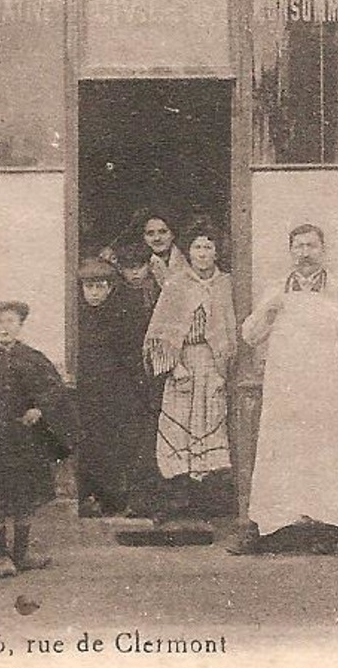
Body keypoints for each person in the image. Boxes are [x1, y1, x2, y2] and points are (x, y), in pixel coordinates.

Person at [232, 224, 338, 556]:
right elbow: (249, 335)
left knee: (326, 450)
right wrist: (268, 312)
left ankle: (330, 526)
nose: (305, 253)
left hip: (323, 384)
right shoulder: (277, 288)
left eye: (311, 246)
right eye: (299, 247)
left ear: (323, 250)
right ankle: (271, 525)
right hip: (284, 385)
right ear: (290, 252)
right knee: (282, 450)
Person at [0, 301, 74, 578]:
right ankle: (1, 556)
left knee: (26, 497)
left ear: (20, 325)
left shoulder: (34, 358)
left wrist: (40, 409)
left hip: (27, 442)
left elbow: (55, 391)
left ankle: (21, 555)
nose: (4, 328)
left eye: (10, 322)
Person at [143, 218, 238, 523]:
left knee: (209, 422)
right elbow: (161, 330)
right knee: (177, 426)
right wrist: (174, 367)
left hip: (212, 364)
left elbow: (229, 329)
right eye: (196, 247)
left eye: (208, 247)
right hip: (183, 363)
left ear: (216, 252)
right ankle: (176, 499)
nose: (202, 253)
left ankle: (205, 503)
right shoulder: (177, 284)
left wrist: (222, 371)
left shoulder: (226, 284)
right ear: (189, 251)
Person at [74, 259, 150, 518]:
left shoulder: (122, 315)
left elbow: (131, 355)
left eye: (99, 287)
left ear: (110, 288)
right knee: (92, 444)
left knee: (122, 444)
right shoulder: (77, 319)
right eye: (89, 287)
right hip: (88, 392)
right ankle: (94, 497)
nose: (94, 293)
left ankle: (122, 498)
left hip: (118, 390)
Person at [101, 212, 188, 315]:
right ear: (143, 237)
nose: (157, 238)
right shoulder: (131, 263)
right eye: (150, 234)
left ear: (172, 234)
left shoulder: (188, 261)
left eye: (163, 232)